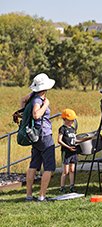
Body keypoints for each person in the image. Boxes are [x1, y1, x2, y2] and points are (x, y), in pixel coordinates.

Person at [21, 73, 56, 202]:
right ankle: (42, 196)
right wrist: (46, 105)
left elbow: (21, 100)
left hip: (36, 137)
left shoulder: (32, 96)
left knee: (34, 165)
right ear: (46, 88)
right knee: (49, 166)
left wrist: (24, 113)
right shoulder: (39, 100)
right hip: (44, 135)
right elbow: (36, 114)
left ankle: (29, 195)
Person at [58, 109, 91, 193]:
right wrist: (68, 147)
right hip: (66, 151)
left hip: (73, 151)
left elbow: (75, 140)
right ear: (64, 119)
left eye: (73, 119)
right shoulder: (62, 129)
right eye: (70, 119)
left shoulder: (73, 129)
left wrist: (84, 140)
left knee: (72, 169)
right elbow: (59, 140)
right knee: (66, 171)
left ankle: (72, 186)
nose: (72, 121)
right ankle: (62, 187)